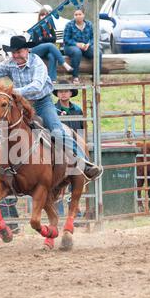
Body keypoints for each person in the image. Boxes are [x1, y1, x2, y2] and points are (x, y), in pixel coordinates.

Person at [0, 35, 102, 187]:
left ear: (27, 50)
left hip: (42, 103)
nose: (16, 55)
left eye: (19, 52)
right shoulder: (10, 64)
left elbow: (37, 86)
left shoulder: (37, 63)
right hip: (21, 104)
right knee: (0, 132)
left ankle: (84, 163)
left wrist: (13, 92)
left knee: (57, 130)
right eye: (13, 53)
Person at [53, 80, 84, 223]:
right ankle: (57, 212)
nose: (63, 93)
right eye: (60, 91)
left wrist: (81, 146)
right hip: (58, 146)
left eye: (66, 91)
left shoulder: (77, 110)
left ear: (71, 93)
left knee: (75, 179)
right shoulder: (53, 110)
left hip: (74, 145)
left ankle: (75, 211)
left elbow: (81, 129)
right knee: (56, 180)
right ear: (57, 94)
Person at [31, 7, 72, 82]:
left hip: (47, 50)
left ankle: (51, 79)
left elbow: (54, 39)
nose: (44, 17)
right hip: (36, 50)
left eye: (46, 15)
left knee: (52, 56)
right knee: (50, 45)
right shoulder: (36, 27)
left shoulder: (50, 27)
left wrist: (43, 39)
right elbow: (36, 42)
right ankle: (63, 63)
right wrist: (46, 40)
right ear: (39, 17)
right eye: (42, 15)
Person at [63, 7, 102, 85]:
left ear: (83, 15)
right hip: (70, 47)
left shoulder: (89, 24)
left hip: (85, 47)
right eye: (75, 14)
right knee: (77, 52)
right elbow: (66, 39)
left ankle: (96, 77)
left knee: (98, 52)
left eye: (79, 14)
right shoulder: (69, 25)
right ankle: (75, 77)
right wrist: (77, 44)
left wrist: (89, 44)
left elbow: (93, 37)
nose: (77, 16)